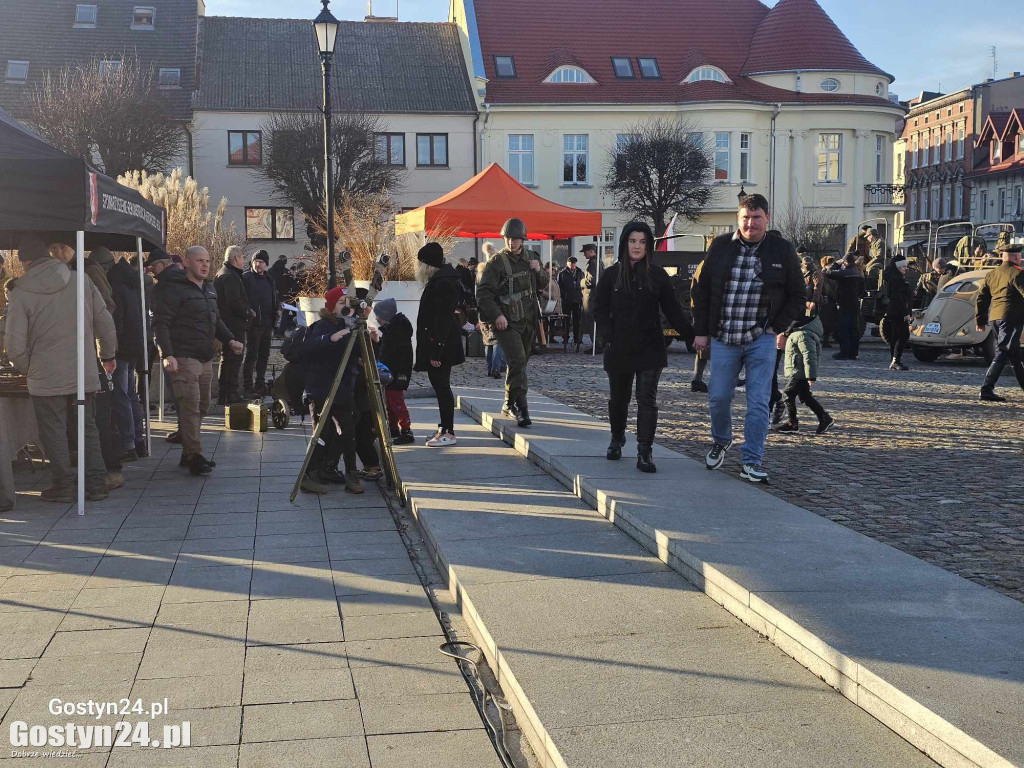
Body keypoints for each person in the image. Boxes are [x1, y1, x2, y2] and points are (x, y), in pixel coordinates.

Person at [691, 194, 805, 484]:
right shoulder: (719, 247)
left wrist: (777, 326)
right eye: (745, 218)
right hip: (724, 336)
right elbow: (701, 289)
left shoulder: (781, 250)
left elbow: (798, 294)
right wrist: (701, 331)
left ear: (766, 219)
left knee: (758, 403)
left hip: (760, 339)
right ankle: (721, 440)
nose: (750, 223)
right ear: (738, 219)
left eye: (756, 218)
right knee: (718, 397)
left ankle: (751, 459)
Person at [3, 236, 116, 502]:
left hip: (44, 375)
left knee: (53, 431)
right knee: (87, 427)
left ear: (25, 262)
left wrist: (28, 367)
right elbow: (105, 323)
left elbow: (14, 342)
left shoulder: (20, 291)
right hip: (82, 370)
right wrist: (106, 355)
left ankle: (64, 487)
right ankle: (97, 484)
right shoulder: (82, 280)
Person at [592, 222, 693, 473]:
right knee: (619, 399)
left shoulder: (658, 275)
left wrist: (693, 335)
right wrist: (607, 334)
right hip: (619, 346)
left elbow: (673, 310)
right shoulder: (611, 274)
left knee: (647, 399)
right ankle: (617, 438)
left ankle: (644, 450)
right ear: (625, 243)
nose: (637, 246)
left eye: (642, 242)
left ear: (648, 245)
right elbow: (598, 308)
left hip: (650, 347)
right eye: (632, 241)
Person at [153, 246, 243, 475]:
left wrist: (229, 340)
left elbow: (215, 320)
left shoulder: (210, 288)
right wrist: (167, 354)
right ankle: (194, 455)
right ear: (186, 263)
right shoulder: (174, 289)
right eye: (199, 261)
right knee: (190, 407)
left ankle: (187, 451)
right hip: (184, 357)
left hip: (205, 358)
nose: (205, 265)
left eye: (208, 261)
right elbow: (160, 323)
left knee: (202, 406)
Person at [476, 219, 549, 427]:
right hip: (506, 322)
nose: (511, 243)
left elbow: (544, 283)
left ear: (522, 240)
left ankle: (508, 402)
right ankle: (521, 407)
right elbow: (483, 295)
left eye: (515, 239)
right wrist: (497, 315)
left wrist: (538, 271)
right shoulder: (496, 262)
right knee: (517, 360)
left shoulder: (531, 258)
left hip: (528, 320)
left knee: (520, 364)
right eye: (508, 239)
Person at [300, 286, 363, 494]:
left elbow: (358, 356)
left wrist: (372, 340)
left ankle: (352, 475)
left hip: (342, 389)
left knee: (348, 432)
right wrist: (331, 338)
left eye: (348, 303)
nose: (346, 307)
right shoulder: (322, 326)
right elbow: (308, 348)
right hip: (320, 388)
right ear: (331, 307)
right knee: (322, 431)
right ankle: (309, 475)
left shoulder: (351, 326)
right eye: (341, 303)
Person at [414, 243, 466, 446]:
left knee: (442, 386)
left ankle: (448, 432)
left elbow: (442, 319)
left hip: (441, 345)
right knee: (440, 386)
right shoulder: (442, 280)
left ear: (427, 264)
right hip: (440, 342)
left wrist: (436, 352)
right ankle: (444, 428)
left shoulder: (443, 283)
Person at [107, 253, 148, 460]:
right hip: (134, 346)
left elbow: (117, 319)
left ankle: (128, 444)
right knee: (130, 394)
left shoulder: (114, 283)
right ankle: (138, 442)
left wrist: (111, 349)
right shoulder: (132, 281)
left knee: (121, 395)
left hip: (121, 348)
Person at [975, 242, 1024, 402]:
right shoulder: (1018, 274)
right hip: (1011, 318)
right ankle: (986, 389)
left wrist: (980, 319)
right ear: (1017, 257)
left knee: (1015, 354)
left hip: (995, 317)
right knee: (1004, 351)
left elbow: (982, 297)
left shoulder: (992, 273)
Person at [774, 310, 834, 435]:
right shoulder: (798, 333)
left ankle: (792, 422)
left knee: (787, 394)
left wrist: (810, 376)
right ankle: (824, 418)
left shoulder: (802, 334)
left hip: (800, 372)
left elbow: (809, 356)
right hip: (800, 371)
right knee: (805, 396)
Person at [213, 245, 252, 405]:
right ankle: (231, 393)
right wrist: (248, 313)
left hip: (227, 323)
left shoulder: (223, 273)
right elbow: (234, 302)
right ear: (236, 258)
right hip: (233, 324)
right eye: (242, 257)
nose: (244, 261)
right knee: (234, 358)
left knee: (227, 358)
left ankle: (225, 393)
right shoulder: (230, 276)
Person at [375, 298, 415, 445]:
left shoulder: (398, 332)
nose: (376, 319)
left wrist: (402, 378)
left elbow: (405, 358)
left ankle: (406, 430)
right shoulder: (390, 331)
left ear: (385, 316)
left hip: (397, 376)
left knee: (397, 403)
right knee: (390, 403)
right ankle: (393, 428)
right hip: (390, 374)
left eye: (378, 316)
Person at [242, 250, 277, 397]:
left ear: (266, 264)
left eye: (261, 262)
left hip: (267, 324)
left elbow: (273, 297)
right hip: (253, 325)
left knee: (264, 355)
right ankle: (248, 386)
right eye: (255, 261)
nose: (258, 264)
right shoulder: (246, 277)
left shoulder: (269, 279)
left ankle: (260, 383)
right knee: (251, 355)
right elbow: (242, 298)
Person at [825, 253, 866, 360]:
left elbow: (827, 272)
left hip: (845, 303)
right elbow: (862, 290)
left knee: (843, 329)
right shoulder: (857, 272)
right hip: (855, 304)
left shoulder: (845, 273)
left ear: (845, 262)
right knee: (853, 329)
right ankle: (853, 353)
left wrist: (835, 264)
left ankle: (844, 352)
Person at [879, 257, 915, 371]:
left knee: (895, 336)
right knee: (903, 335)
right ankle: (896, 360)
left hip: (895, 310)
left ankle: (894, 359)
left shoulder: (896, 277)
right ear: (898, 266)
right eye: (904, 266)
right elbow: (898, 297)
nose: (906, 268)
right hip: (899, 311)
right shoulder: (897, 279)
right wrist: (905, 312)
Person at [557, 256, 585, 349]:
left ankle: (577, 338)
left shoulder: (580, 273)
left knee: (577, 320)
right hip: (566, 300)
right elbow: (559, 286)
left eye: (574, 263)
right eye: (571, 263)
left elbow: (583, 285)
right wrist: (563, 295)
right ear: (567, 264)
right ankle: (565, 337)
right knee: (566, 320)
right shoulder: (562, 273)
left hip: (577, 299)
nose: (573, 265)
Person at [580, 243, 602, 351]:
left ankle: (597, 344)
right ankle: (597, 344)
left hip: (591, 296)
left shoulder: (594, 263)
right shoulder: (597, 262)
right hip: (593, 296)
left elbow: (591, 280)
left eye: (585, 252)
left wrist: (582, 282)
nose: (584, 254)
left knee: (591, 322)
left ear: (591, 251)